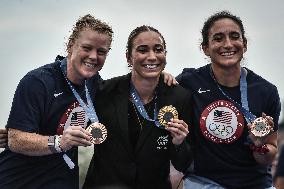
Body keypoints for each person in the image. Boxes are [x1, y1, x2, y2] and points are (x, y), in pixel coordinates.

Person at [0, 14, 114, 189]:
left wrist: (161, 79)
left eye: (101, 52)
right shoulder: (38, 82)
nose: (93, 56)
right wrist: (60, 142)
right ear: (70, 46)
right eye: (87, 48)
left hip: (62, 180)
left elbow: (130, 89)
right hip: (20, 181)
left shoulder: (94, 83)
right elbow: (15, 140)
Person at [176, 11, 281, 189]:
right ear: (205, 48)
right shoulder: (189, 82)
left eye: (235, 37)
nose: (228, 44)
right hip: (205, 182)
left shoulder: (266, 91)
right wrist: (162, 76)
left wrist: (259, 145)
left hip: (255, 183)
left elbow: (267, 156)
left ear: (244, 44)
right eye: (218, 38)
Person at [83, 25, 193, 189]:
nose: (152, 56)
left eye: (158, 49)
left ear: (165, 55)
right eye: (143, 50)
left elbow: (184, 164)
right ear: (129, 57)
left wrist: (179, 143)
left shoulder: (180, 97)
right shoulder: (104, 91)